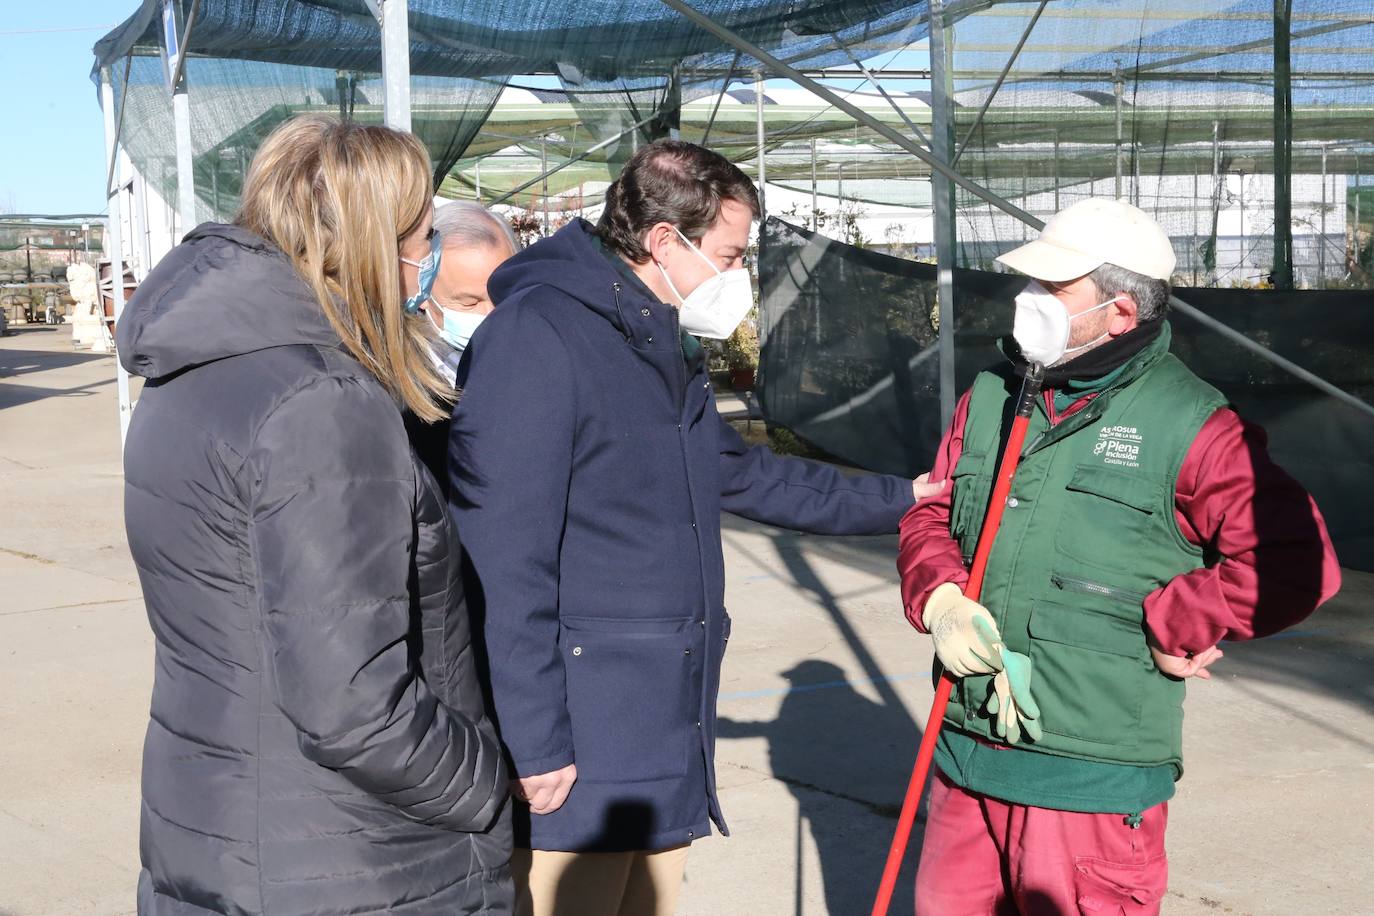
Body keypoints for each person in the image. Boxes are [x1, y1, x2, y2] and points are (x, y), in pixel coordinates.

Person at [448, 139, 942, 916]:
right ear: (663, 241)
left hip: (657, 724)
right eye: (730, 254)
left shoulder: (651, 336)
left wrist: (904, 497)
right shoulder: (537, 338)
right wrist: (535, 741)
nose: (738, 276)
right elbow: (503, 559)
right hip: (581, 741)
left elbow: (740, 472)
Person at [897, 198, 1342, 915]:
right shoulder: (991, 395)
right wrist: (941, 595)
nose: (1029, 301)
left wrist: (1182, 620)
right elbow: (930, 512)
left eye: (1054, 289)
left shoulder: (1193, 423)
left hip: (1091, 781)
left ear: (1122, 312)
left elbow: (1296, 561)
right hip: (963, 755)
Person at [118, 116, 512, 915]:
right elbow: (351, 706)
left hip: (219, 828)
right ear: (378, 240)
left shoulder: (192, 374)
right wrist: (481, 785)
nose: (428, 254)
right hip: (351, 862)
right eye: (422, 232)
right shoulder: (322, 403)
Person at [405, 199, 519, 496]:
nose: (490, 315)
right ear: (424, 292)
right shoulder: (400, 390)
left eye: (502, 295)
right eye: (469, 302)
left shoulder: (534, 365)